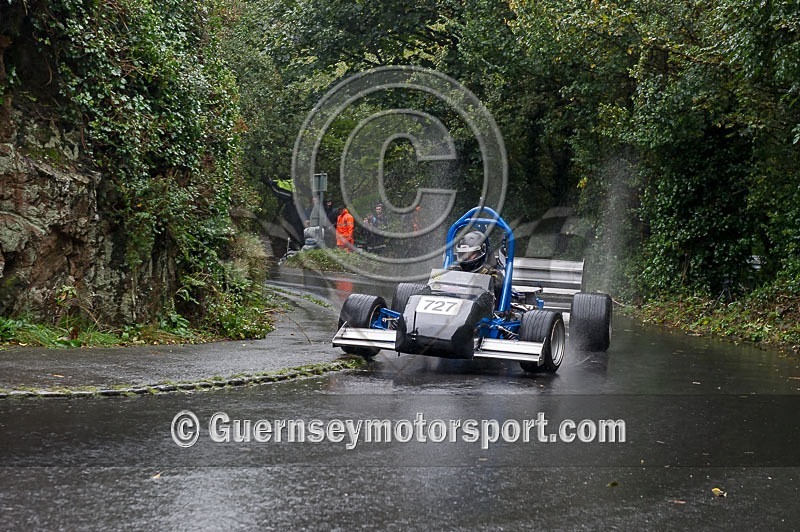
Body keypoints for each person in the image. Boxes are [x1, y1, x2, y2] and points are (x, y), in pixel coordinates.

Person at [451, 230, 504, 300]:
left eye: (470, 254)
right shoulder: (455, 270)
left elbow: (494, 291)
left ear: (481, 251)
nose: (466, 258)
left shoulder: (493, 273)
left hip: (480, 307)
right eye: (463, 254)